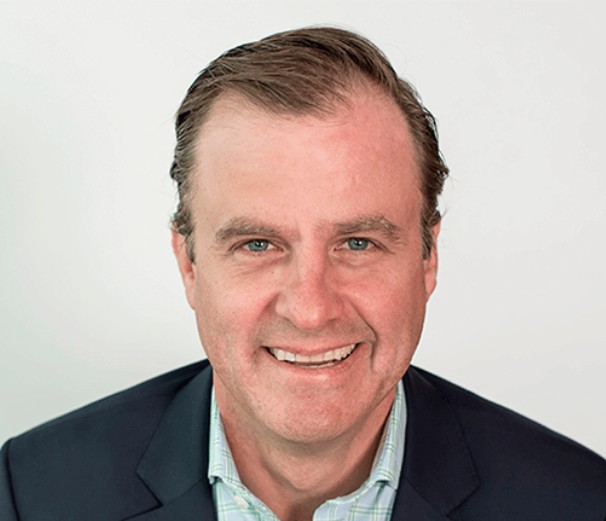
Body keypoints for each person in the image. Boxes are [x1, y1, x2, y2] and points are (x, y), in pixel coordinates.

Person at [1, 26, 604, 521]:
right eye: (258, 244)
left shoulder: (578, 502)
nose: (311, 310)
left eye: (358, 243)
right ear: (189, 264)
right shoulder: (32, 494)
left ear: (428, 259)